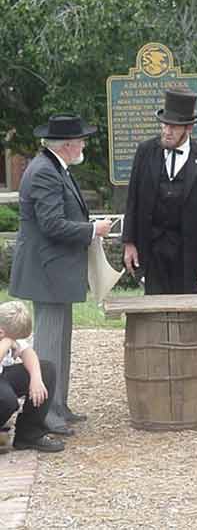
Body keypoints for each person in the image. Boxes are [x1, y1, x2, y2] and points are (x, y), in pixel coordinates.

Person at [9, 114, 112, 436]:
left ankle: (59, 406)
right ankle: (45, 415)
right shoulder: (45, 171)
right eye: (80, 140)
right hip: (47, 271)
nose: (83, 145)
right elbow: (52, 224)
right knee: (50, 346)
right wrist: (92, 230)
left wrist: (88, 227)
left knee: (60, 343)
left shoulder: (54, 167)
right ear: (67, 145)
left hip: (55, 271)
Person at [122, 87, 197, 294]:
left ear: (188, 128)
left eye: (174, 127)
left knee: (189, 309)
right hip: (153, 251)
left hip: (189, 254)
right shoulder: (145, 152)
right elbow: (133, 200)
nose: (167, 131)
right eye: (164, 125)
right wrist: (129, 243)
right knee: (155, 308)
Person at [0, 301, 64, 452]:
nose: (16, 342)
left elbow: (28, 353)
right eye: (15, 338)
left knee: (46, 369)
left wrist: (36, 379)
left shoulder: (8, 328)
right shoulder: (7, 337)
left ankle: (29, 434)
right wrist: (7, 343)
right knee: (7, 400)